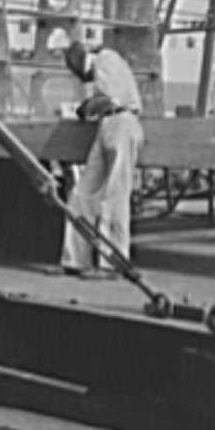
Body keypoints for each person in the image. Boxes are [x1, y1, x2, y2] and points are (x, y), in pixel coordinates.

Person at [60, 40, 143, 275]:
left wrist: (85, 108)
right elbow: (102, 102)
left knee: (114, 197)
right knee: (81, 194)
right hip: (107, 124)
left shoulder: (107, 58)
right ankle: (75, 260)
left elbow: (107, 100)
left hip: (122, 122)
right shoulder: (100, 69)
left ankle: (112, 264)